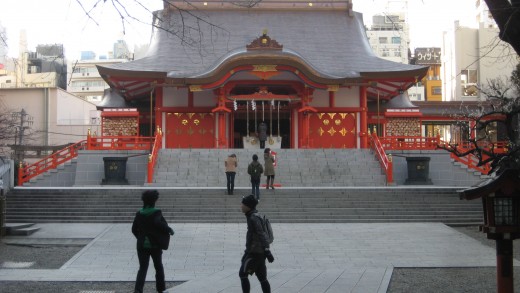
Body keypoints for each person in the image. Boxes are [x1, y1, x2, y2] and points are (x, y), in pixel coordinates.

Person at [132, 190, 174, 293]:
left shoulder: (139, 213)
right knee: (158, 267)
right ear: (154, 200)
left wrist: (141, 237)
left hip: (142, 246)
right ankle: (161, 289)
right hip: (155, 245)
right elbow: (159, 223)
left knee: (142, 268)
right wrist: (169, 229)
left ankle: (138, 290)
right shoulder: (156, 212)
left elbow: (134, 229)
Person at [239, 194, 275, 293]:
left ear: (248, 206)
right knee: (262, 278)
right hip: (258, 252)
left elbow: (261, 234)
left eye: (243, 204)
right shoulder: (253, 215)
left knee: (243, 274)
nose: (241, 206)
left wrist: (267, 251)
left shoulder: (253, 218)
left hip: (255, 253)